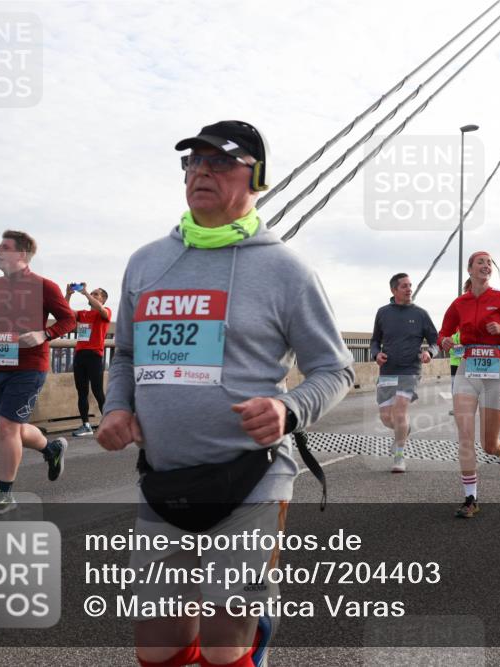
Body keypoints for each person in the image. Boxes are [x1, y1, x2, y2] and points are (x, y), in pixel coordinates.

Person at [97, 120, 354, 667]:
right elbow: (124, 354)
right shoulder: (146, 262)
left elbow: (335, 369)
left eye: (220, 161)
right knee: (158, 645)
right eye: (193, 161)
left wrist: (288, 409)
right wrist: (118, 406)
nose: (201, 171)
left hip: (252, 480)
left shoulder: (285, 269)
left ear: (255, 177)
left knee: (225, 645)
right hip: (162, 479)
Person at [0, 231, 76, 514]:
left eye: (3, 247)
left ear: (21, 254)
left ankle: (4, 493)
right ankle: (51, 450)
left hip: (29, 367)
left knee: (8, 428)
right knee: (12, 429)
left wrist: (45, 333)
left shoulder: (45, 286)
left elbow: (69, 320)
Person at [438, 250, 500, 519]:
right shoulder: (459, 303)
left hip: (496, 369)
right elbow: (443, 332)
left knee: (488, 444)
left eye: (489, 263)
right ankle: (470, 499)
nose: (486, 266)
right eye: (481, 262)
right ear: (470, 269)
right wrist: (444, 341)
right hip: (468, 369)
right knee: (465, 438)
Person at [370, 272, 438, 473]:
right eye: (404, 286)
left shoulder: (420, 314)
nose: (409, 289)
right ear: (394, 290)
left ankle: (399, 456)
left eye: (410, 285)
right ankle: (403, 431)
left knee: (400, 412)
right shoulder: (383, 312)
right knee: (386, 418)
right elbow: (375, 340)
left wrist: (430, 353)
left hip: (410, 370)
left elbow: (435, 340)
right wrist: (376, 355)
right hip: (388, 370)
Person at [65, 283, 112, 437]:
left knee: (97, 391)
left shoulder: (104, 312)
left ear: (103, 300)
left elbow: (101, 310)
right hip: (80, 355)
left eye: (96, 294)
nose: (92, 294)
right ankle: (86, 425)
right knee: (82, 391)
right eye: (92, 293)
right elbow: (65, 311)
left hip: (95, 356)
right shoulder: (83, 314)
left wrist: (85, 293)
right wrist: (69, 294)